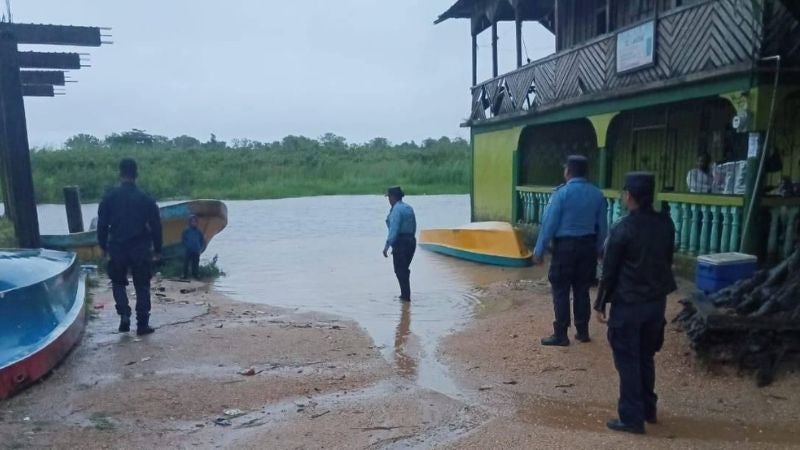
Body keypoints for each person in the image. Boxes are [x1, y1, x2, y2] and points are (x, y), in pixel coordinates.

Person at [594, 172, 677, 435]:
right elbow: (667, 258)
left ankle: (631, 417)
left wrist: (600, 303)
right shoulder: (666, 224)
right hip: (656, 303)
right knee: (645, 356)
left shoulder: (622, 229)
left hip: (629, 305)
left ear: (629, 196)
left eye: (623, 194)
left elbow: (609, 271)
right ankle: (648, 409)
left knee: (628, 360)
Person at [534, 155, 608, 346]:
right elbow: (602, 226)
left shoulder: (561, 194)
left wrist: (539, 250)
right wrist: (600, 249)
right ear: (586, 172)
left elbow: (548, 224)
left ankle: (561, 334)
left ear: (567, 172)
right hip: (588, 247)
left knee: (560, 290)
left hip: (565, 248)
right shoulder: (597, 195)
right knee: (582, 289)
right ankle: (582, 332)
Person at [97, 158, 162, 336]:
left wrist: (103, 246)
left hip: (117, 246)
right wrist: (158, 249)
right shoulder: (146, 199)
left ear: (120, 174)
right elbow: (156, 225)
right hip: (140, 247)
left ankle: (124, 314)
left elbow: (102, 225)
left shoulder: (109, 198)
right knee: (142, 285)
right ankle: (142, 324)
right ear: (136, 174)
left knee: (118, 283)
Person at [383, 186, 417, 302]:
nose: (388, 200)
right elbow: (414, 226)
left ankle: (405, 297)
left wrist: (387, 246)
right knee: (404, 269)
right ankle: (405, 296)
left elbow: (394, 229)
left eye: (389, 197)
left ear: (392, 197)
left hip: (401, 241)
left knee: (399, 270)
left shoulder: (396, 210)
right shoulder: (408, 208)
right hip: (411, 241)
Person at [182, 215, 205, 280]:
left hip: (196, 250)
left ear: (197, 223)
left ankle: (195, 275)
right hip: (188, 250)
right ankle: (185, 275)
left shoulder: (199, 231)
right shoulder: (186, 231)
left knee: (195, 263)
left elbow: (201, 240)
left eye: (195, 222)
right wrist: (187, 246)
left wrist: (200, 247)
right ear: (189, 222)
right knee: (186, 263)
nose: (194, 223)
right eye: (192, 222)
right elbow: (183, 239)